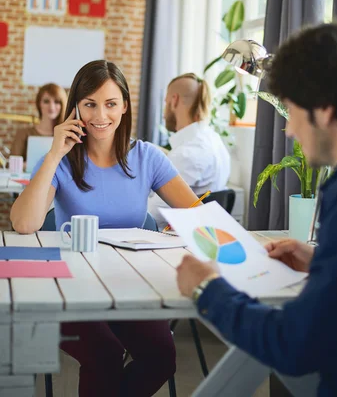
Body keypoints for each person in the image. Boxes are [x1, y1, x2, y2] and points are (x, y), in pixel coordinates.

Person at [176, 20, 337, 397]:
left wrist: (206, 290)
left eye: (293, 108)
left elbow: (296, 343)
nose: (290, 129)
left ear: (325, 110)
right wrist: (321, 260)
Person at [11, 60, 199, 397]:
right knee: (105, 354)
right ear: (76, 109)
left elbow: (198, 216)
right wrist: (55, 153)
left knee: (161, 357)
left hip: (129, 286)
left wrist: (179, 231)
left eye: (111, 104)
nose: (100, 115)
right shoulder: (62, 160)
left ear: (125, 106)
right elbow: (24, 223)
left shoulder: (147, 158)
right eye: (90, 104)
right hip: (70, 290)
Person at [148, 73, 231, 229]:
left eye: (166, 102)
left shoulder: (187, 154)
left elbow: (152, 215)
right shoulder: (214, 140)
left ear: (174, 101)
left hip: (173, 238)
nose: (164, 114)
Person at [10, 83, 67, 160]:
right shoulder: (23, 134)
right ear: (39, 104)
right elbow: (12, 163)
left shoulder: (66, 135)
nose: (51, 107)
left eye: (56, 102)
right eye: (46, 101)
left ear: (62, 105)